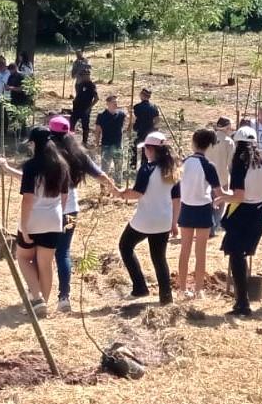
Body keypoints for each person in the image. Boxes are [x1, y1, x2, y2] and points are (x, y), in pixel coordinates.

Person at [0, 127, 70, 317]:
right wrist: (59, 216)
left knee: (23, 257)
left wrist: (25, 226)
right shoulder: (61, 165)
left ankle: (36, 297)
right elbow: (65, 196)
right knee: (45, 264)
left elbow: (27, 199)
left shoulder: (31, 166)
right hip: (54, 219)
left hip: (33, 219)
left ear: (35, 143)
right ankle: (43, 305)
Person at [50, 117, 117, 312]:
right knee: (63, 253)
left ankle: (36, 292)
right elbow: (100, 175)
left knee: (43, 251)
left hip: (46, 209)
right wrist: (115, 190)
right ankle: (64, 296)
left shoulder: (47, 152)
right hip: (70, 209)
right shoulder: (78, 154)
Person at [219, 126, 262, 317]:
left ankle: (242, 302)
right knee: (241, 256)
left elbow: (239, 196)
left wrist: (223, 197)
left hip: (242, 214)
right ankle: (242, 299)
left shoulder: (240, 163)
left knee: (236, 256)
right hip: (258, 214)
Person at [117, 132, 179, 304]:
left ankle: (140, 288)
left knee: (125, 246)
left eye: (145, 148)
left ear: (151, 149)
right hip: (164, 220)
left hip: (145, 220)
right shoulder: (171, 170)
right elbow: (176, 199)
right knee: (159, 259)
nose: (145, 152)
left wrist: (122, 194)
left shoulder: (147, 168)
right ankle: (166, 298)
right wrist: (174, 223)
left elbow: (137, 193)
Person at [176, 129, 221, 299]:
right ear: (209, 146)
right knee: (200, 251)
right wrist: (218, 200)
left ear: (193, 142)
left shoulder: (184, 162)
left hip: (186, 208)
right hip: (203, 209)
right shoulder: (209, 165)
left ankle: (181, 289)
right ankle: (199, 290)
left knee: (184, 250)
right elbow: (219, 191)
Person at [207, 117, 235, 238]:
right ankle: (214, 226)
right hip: (222, 177)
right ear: (227, 128)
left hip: (207, 177)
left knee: (208, 202)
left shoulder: (209, 138)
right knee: (220, 203)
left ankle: (208, 225)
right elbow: (230, 163)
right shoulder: (229, 142)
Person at [94, 95, 127, 185]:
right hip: (106, 146)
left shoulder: (121, 115)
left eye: (116, 102)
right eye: (113, 102)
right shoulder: (101, 115)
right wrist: (97, 144)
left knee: (118, 169)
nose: (116, 104)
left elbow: (128, 126)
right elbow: (97, 131)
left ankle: (118, 188)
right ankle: (104, 189)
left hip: (118, 146)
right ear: (108, 104)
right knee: (104, 170)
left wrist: (131, 115)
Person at [70, 68, 98, 147]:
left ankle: (84, 142)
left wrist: (89, 108)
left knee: (85, 126)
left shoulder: (92, 85)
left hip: (85, 109)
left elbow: (96, 98)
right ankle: (70, 140)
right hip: (76, 108)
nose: (84, 77)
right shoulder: (80, 84)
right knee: (71, 124)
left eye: (86, 75)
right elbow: (78, 95)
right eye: (82, 75)